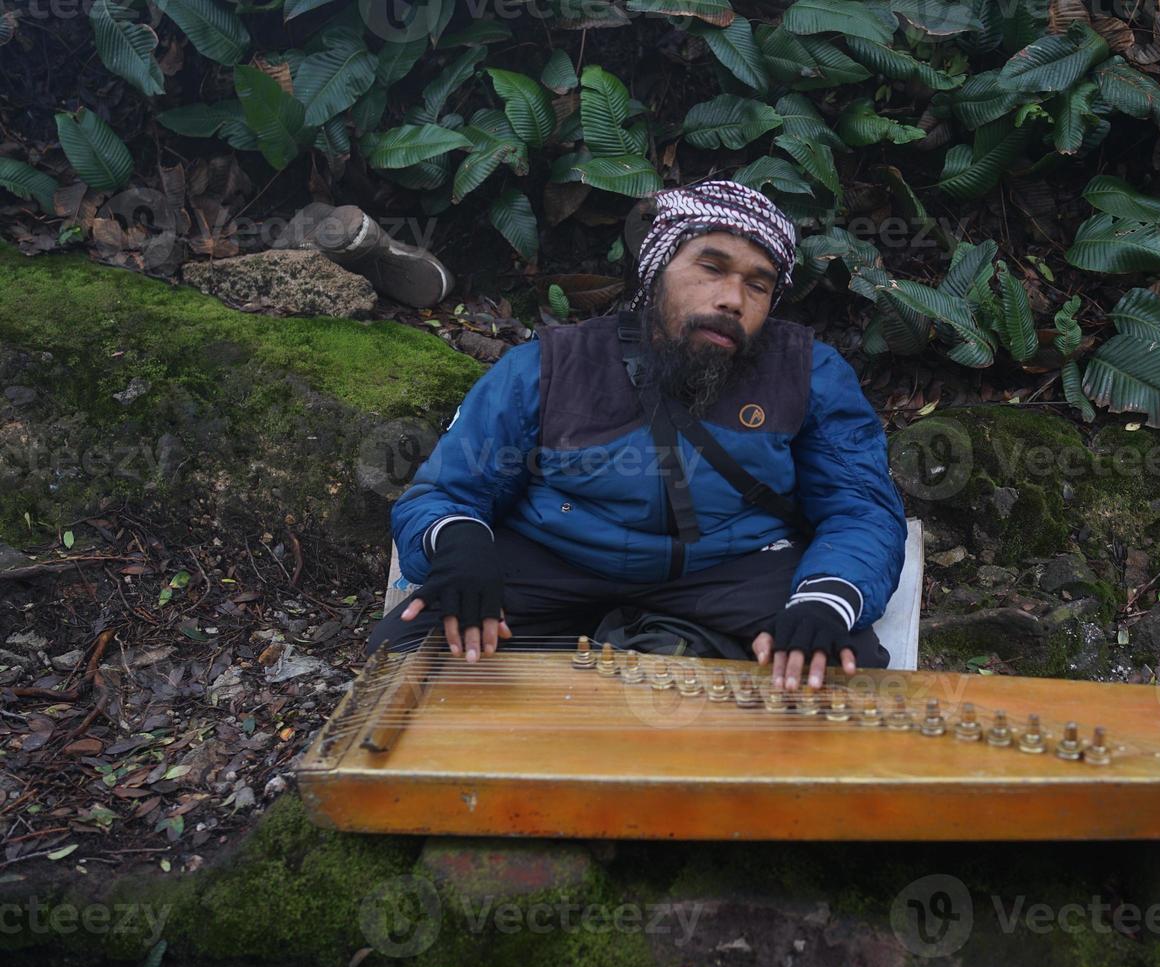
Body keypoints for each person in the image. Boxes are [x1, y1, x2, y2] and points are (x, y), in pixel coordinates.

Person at [366, 180, 907, 690]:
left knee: (838, 666)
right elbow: (447, 491)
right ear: (657, 270)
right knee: (408, 654)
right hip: (559, 562)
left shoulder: (808, 372)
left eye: (757, 284)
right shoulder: (550, 366)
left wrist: (825, 601)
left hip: (730, 569)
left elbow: (859, 508)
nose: (732, 300)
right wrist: (460, 544)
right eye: (711, 268)